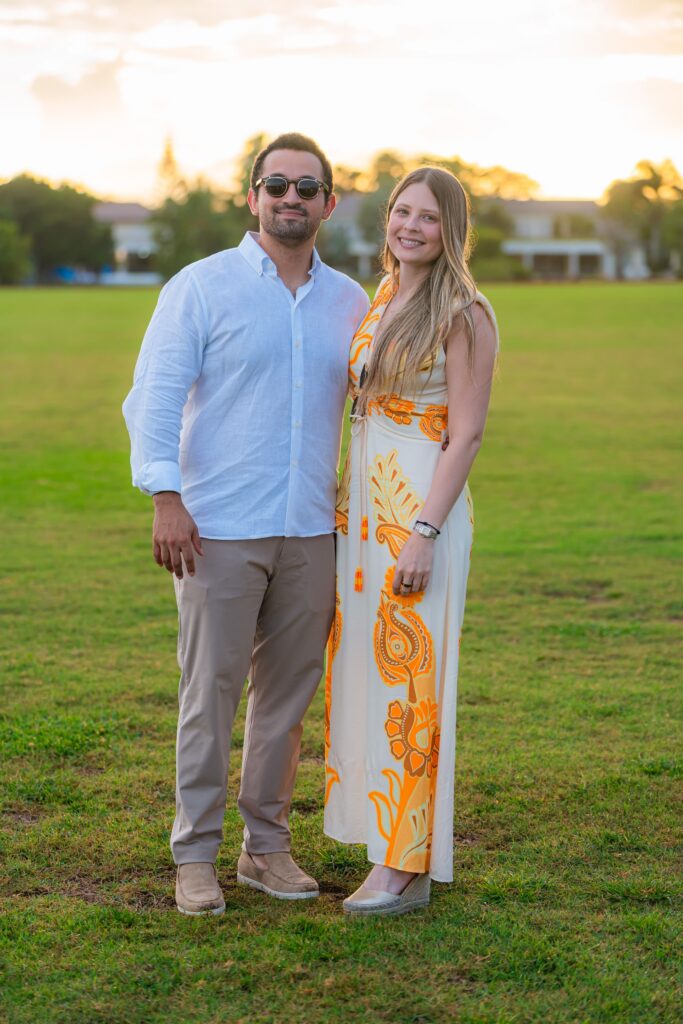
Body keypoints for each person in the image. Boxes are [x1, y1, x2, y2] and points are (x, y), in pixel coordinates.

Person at [122, 133, 369, 916]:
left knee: (285, 704)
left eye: (307, 187)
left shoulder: (351, 301)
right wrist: (165, 495)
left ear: (328, 203)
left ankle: (265, 848)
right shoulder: (201, 286)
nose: (290, 198)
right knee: (210, 697)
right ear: (253, 196)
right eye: (276, 185)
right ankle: (194, 856)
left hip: (310, 529)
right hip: (216, 528)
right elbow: (155, 396)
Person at [324, 167, 499, 916]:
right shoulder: (384, 293)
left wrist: (424, 532)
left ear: (451, 228)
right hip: (363, 518)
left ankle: (403, 865)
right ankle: (385, 841)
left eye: (427, 217)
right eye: (401, 211)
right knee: (366, 679)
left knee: (411, 685)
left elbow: (467, 433)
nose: (410, 226)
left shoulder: (465, 310)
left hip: (418, 515)